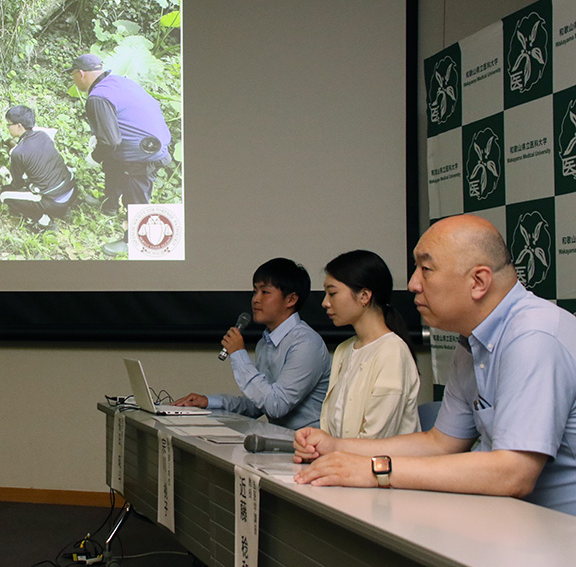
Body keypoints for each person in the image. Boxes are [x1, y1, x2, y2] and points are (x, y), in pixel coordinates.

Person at [293, 215, 576, 516]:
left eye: (425, 270)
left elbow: (513, 472)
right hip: (514, 523)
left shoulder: (532, 336)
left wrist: (377, 470)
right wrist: (337, 447)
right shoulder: (471, 344)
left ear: (478, 281)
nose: (413, 284)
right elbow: (440, 443)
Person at [174, 258, 331, 430]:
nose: (255, 299)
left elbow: (276, 405)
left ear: (291, 300)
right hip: (281, 441)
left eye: (265, 292)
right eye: (255, 291)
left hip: (310, 446)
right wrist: (208, 401)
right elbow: (256, 405)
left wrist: (239, 355)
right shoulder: (265, 343)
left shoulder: (306, 344)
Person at [66, 53, 173, 257]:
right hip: (154, 140)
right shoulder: (118, 81)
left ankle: (134, 242)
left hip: (143, 154)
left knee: (137, 196)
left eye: (73, 75)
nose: (73, 79)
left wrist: (94, 156)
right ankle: (110, 204)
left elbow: (110, 141)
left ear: (81, 74)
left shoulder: (97, 97)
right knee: (111, 162)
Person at [319, 250, 420, 439]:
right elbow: (330, 430)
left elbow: (375, 440)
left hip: (381, 466)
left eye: (332, 293)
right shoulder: (344, 350)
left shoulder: (392, 351)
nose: (325, 302)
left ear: (364, 295)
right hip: (345, 462)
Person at [0, 105, 77, 231]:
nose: (7, 128)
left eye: (9, 125)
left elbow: (17, 184)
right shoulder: (43, 135)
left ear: (19, 126)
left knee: (4, 196)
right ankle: (62, 210)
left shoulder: (18, 153)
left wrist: (5, 178)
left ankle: (44, 221)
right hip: (71, 189)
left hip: (54, 201)